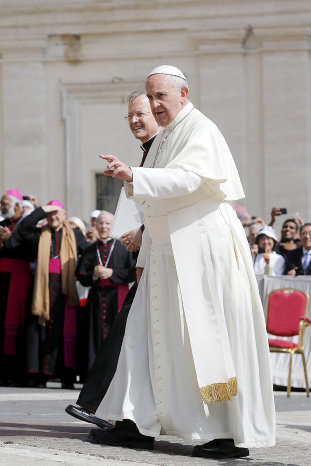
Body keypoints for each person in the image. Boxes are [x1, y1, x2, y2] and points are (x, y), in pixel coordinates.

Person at [92, 65, 275, 459]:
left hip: (202, 249)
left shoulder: (200, 130)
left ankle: (224, 432)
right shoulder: (166, 137)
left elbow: (190, 179)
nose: (155, 104)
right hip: (167, 249)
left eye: (161, 96)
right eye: (150, 96)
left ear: (183, 93)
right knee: (143, 332)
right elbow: (157, 191)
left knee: (205, 337)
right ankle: (134, 422)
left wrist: (133, 175)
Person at [65, 91, 159, 425]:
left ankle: (102, 407)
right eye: (130, 115)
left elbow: (173, 198)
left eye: (141, 114)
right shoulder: (150, 151)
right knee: (130, 334)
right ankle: (119, 415)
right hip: (152, 257)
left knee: (128, 332)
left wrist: (143, 232)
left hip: (163, 258)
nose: (135, 120)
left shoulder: (165, 147)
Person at [18, 200, 88, 388]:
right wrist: (41, 211)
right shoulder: (41, 234)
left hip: (65, 290)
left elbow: (88, 254)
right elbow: (23, 229)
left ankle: (66, 376)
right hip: (42, 290)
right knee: (42, 331)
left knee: (65, 331)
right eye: (50, 214)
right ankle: (40, 376)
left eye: (57, 213)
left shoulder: (74, 234)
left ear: (64, 215)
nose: (53, 217)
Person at [76, 210, 136, 371]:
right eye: (100, 223)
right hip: (96, 299)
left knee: (116, 334)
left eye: (107, 223)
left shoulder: (124, 246)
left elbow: (134, 272)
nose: (104, 227)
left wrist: (112, 273)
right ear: (95, 225)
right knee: (94, 336)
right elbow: (80, 276)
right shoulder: (90, 250)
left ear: (113, 224)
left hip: (118, 296)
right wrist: (93, 275)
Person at [0, 189, 33, 385]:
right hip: (2, 277)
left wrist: (9, 240)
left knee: (17, 322)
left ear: (17, 206)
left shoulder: (26, 226)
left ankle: (16, 371)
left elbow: (29, 253)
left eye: (5, 204)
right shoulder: (2, 224)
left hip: (19, 278)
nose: (2, 207)